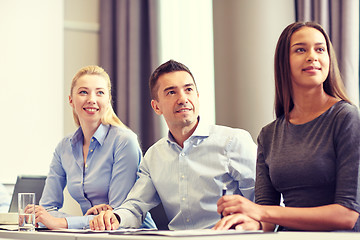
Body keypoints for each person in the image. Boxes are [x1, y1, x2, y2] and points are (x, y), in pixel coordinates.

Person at [213, 22, 360, 232]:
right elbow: (267, 217)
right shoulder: (268, 134)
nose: (312, 56)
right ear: (284, 62)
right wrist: (246, 223)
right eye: (301, 49)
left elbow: (347, 215)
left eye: (320, 49)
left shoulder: (346, 117)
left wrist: (260, 212)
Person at [89, 60, 257, 230]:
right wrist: (115, 217)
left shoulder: (234, 142)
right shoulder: (154, 156)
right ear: (156, 107)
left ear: (197, 97)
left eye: (188, 90)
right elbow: (136, 206)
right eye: (171, 92)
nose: (183, 99)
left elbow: (265, 205)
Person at [35, 65, 156, 230]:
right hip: (94, 234)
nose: (91, 99)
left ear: (108, 100)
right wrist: (82, 221)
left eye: (100, 93)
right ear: (71, 100)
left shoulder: (124, 141)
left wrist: (63, 222)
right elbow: (46, 209)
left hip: (133, 235)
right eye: (83, 92)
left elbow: (116, 217)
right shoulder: (64, 147)